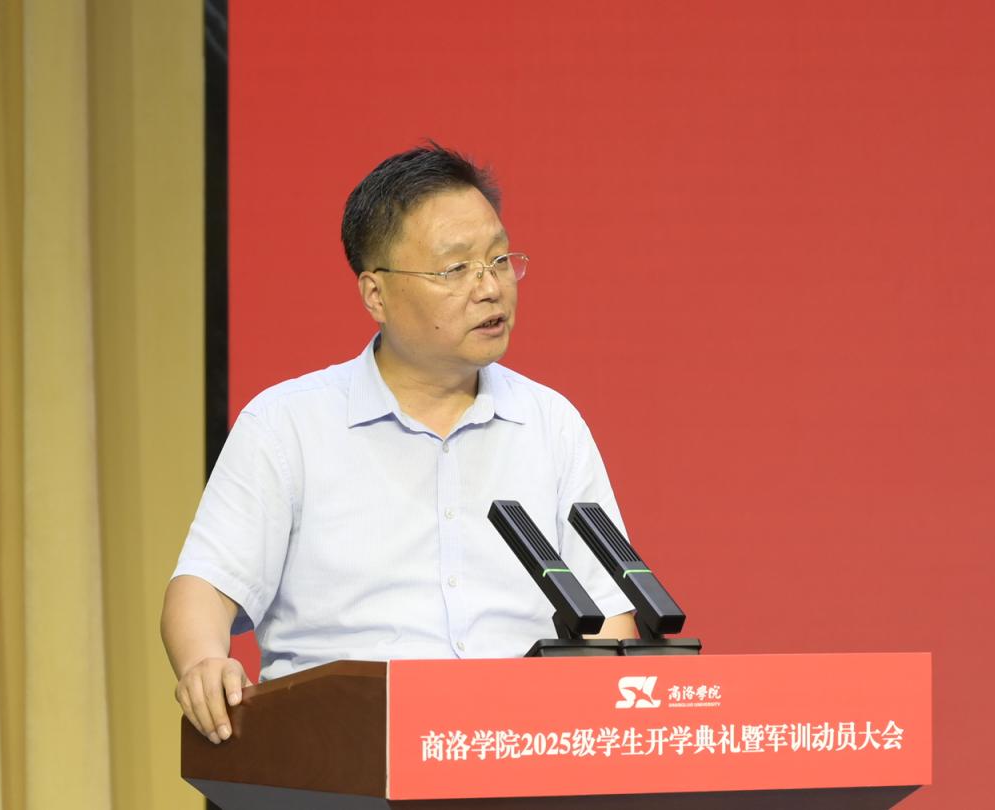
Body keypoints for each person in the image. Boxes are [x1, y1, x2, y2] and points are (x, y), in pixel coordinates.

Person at [161, 143, 640, 745]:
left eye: (498, 260)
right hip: (339, 749)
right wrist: (205, 663)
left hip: (520, 746)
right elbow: (205, 585)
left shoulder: (551, 423)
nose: (490, 287)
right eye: (455, 269)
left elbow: (610, 616)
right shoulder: (288, 425)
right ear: (375, 294)